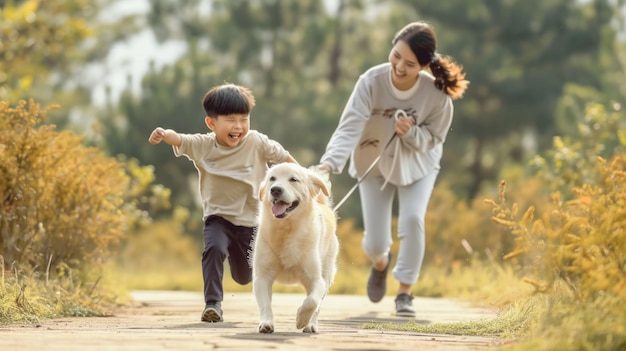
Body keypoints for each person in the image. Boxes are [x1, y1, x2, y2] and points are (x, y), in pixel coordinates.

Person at [316, 21, 469, 317]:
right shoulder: (370, 82)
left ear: (424, 66)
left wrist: (410, 133)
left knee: (412, 220)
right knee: (375, 244)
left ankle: (405, 293)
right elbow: (349, 126)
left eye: (409, 63)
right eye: (396, 55)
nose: (398, 66)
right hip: (372, 162)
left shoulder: (437, 95)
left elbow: (434, 139)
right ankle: (380, 264)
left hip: (418, 166)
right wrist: (329, 164)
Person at [148, 83, 297, 323]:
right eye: (230, 120)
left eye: (244, 119)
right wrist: (164, 134)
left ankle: (240, 275)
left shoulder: (257, 142)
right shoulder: (204, 146)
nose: (238, 126)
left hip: (253, 222)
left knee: (244, 275)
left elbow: (286, 160)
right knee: (214, 249)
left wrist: (305, 181)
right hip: (218, 219)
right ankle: (213, 304)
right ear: (212, 123)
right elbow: (181, 139)